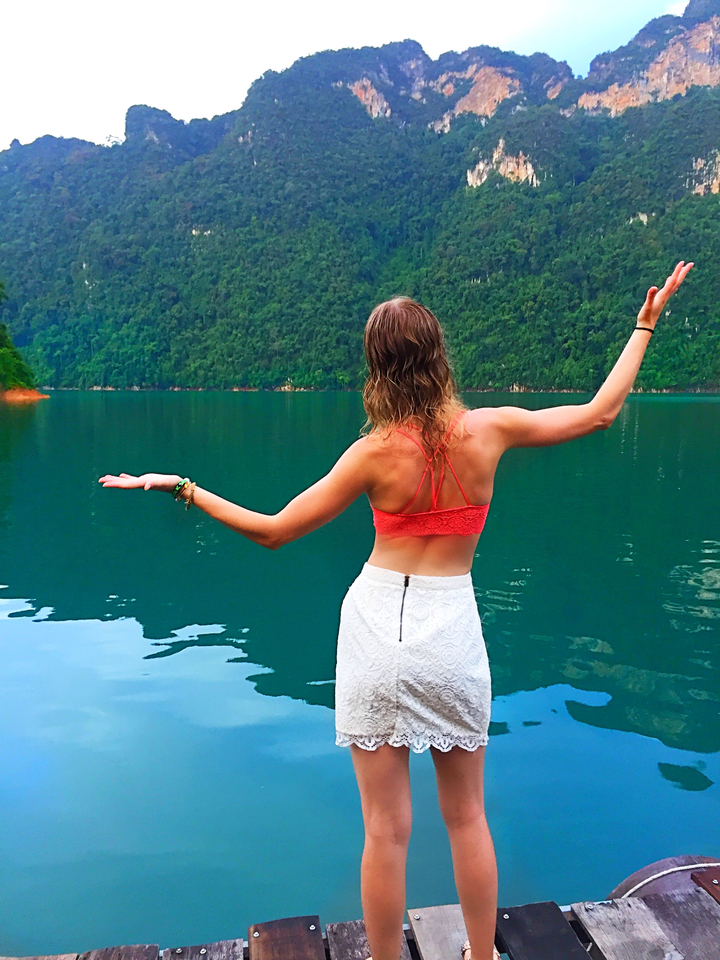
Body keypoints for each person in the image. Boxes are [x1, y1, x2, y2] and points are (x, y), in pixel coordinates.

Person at [99, 260, 693, 960]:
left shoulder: (371, 455)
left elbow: (273, 530)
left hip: (376, 627)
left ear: (376, 369)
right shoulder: (489, 430)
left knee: (384, 829)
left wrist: (181, 487)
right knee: (468, 817)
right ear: (439, 356)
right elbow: (600, 411)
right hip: (450, 630)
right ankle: (479, 956)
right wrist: (644, 324)